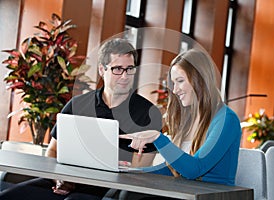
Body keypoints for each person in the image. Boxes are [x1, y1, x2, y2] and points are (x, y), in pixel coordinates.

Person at [0, 38, 162, 200]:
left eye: (130, 69)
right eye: (118, 69)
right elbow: (53, 150)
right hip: (66, 181)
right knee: (9, 196)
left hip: (109, 189)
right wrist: (58, 178)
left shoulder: (148, 113)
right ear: (101, 70)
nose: (125, 76)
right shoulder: (77, 105)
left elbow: (140, 172)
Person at [120, 48, 242, 186]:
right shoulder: (189, 119)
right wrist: (131, 172)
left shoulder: (227, 120)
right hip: (184, 192)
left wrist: (158, 138)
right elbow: (174, 170)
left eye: (180, 81)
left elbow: (195, 169)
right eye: (173, 83)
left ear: (200, 79)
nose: (175, 90)